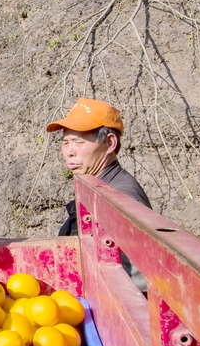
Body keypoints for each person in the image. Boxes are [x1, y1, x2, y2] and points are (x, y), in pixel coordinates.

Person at [47, 97, 151, 290]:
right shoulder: (95, 184)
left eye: (78, 142)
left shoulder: (121, 196)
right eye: (65, 142)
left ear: (110, 143)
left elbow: (137, 282)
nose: (69, 152)